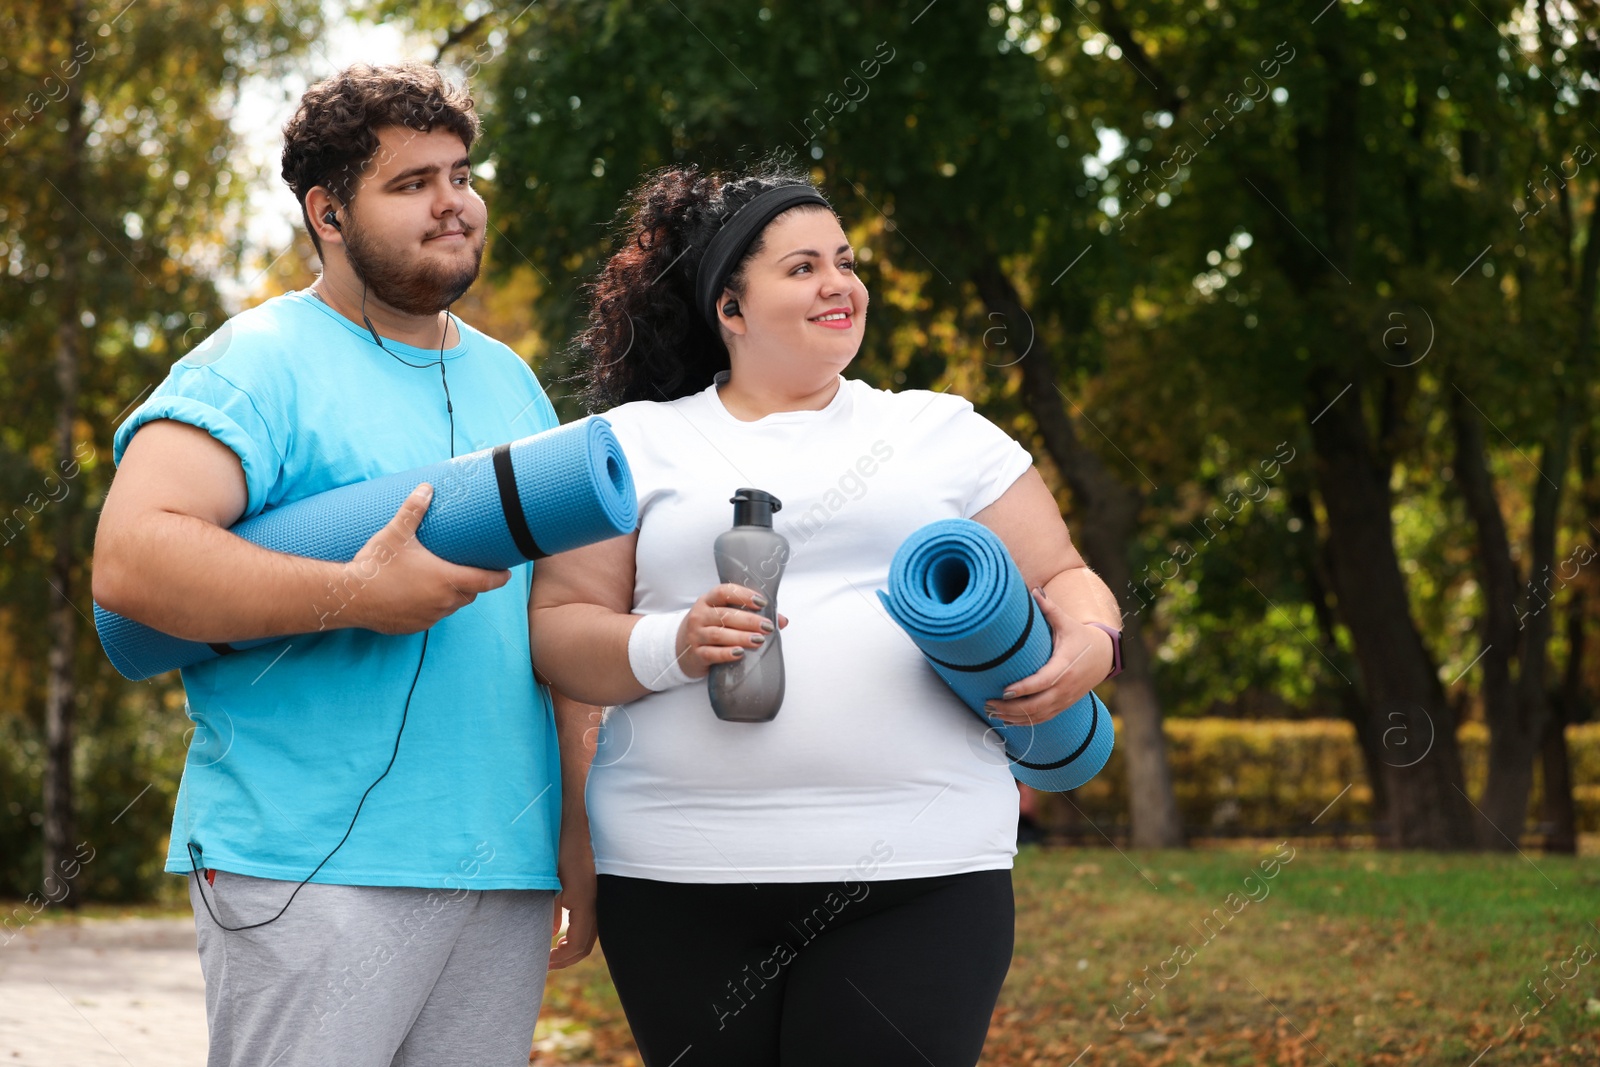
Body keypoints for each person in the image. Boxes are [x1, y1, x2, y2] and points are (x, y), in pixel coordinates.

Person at [530, 161, 1125, 1066]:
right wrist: (672, 642)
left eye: (845, 261)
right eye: (802, 266)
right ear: (730, 306)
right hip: (681, 878)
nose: (840, 282)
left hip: (920, 874)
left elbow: (1068, 573)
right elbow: (560, 630)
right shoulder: (627, 445)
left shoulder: (944, 432)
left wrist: (1090, 640)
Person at [93, 62, 593, 1067]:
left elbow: (556, 631)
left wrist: (577, 839)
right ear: (328, 210)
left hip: (499, 870)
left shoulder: (513, 384)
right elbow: (132, 559)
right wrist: (355, 594)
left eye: (461, 173)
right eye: (412, 183)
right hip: (308, 869)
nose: (454, 203)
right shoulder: (257, 360)